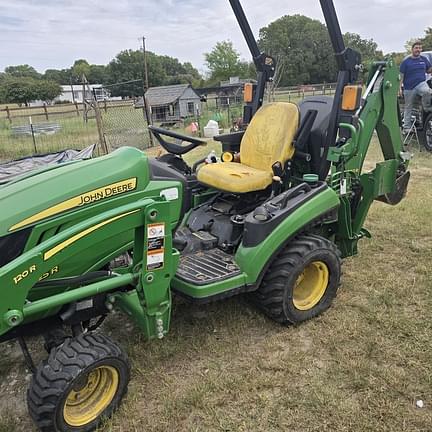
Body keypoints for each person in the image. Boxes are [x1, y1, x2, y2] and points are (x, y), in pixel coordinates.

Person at [399, 41, 432, 132]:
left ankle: (427, 108)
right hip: (409, 87)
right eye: (416, 48)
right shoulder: (406, 62)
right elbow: (401, 76)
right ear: (412, 49)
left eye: (420, 48)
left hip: (421, 83)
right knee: (408, 107)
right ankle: (407, 127)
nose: (418, 50)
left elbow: (429, 70)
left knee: (428, 92)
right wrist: (399, 88)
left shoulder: (424, 59)